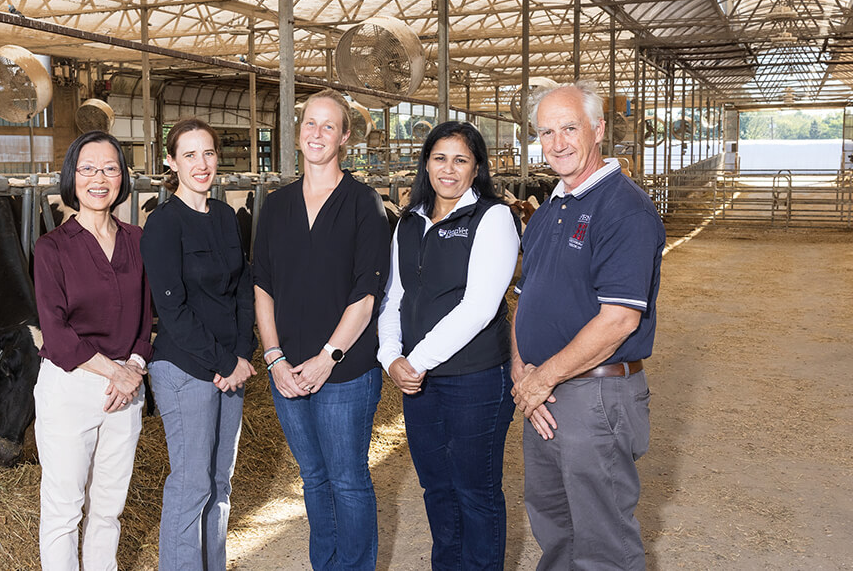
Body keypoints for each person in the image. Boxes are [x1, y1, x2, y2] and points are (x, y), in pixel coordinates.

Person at [510, 82, 665, 571]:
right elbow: (524, 298)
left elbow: (619, 319)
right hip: (545, 392)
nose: (557, 142)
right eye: (546, 131)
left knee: (602, 541)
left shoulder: (625, 209)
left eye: (569, 127)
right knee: (554, 527)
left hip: (594, 396)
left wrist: (542, 378)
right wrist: (522, 375)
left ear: (598, 129)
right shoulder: (547, 210)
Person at [251, 88, 391, 570]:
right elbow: (263, 287)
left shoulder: (364, 203)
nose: (317, 133)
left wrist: (327, 357)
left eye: (328, 125)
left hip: (344, 369)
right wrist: (273, 358)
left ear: (345, 136)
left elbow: (366, 294)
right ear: (297, 132)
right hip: (286, 368)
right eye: (310, 123)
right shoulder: (276, 205)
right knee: (313, 478)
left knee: (348, 477)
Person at [377, 120, 520, 570]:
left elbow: (480, 305)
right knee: (436, 489)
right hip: (420, 382)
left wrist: (414, 361)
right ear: (425, 163)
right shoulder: (410, 221)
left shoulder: (493, 217)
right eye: (440, 158)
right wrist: (390, 356)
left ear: (477, 167)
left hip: (475, 378)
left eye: (461, 160)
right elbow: (395, 295)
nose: (449, 169)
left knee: (475, 492)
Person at [32, 130, 152, 571]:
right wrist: (115, 373)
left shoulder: (139, 240)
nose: (98, 179)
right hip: (72, 386)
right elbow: (57, 333)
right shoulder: (51, 248)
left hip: (127, 389)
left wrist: (134, 367)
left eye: (110, 168)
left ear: (122, 177)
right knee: (64, 508)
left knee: (109, 507)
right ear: (71, 177)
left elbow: (146, 319)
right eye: (88, 169)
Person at [141, 117, 257, 570]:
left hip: (230, 367)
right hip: (186, 369)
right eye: (189, 154)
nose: (201, 163)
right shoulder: (164, 225)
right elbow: (172, 310)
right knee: (191, 486)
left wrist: (243, 355)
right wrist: (225, 360)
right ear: (171, 162)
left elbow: (243, 287)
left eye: (208, 152)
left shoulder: (227, 216)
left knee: (219, 484)